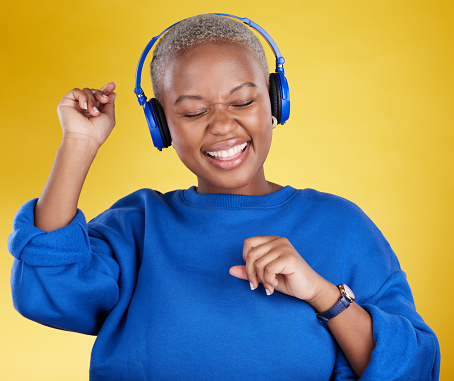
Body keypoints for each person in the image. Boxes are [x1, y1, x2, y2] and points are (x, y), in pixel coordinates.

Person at [8, 14, 440, 380]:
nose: (221, 126)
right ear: (161, 124)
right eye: (193, 111)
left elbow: (416, 367)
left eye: (242, 101)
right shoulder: (138, 224)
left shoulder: (342, 225)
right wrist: (78, 145)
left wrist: (324, 295)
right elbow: (47, 291)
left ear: (275, 100)